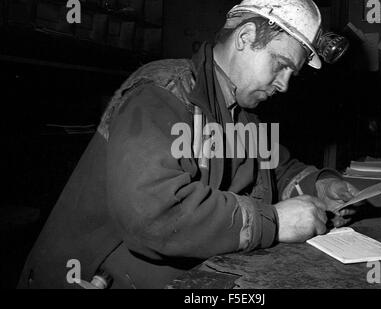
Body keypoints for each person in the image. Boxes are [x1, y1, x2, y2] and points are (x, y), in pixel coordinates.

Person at [18, 0, 357, 289]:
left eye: (292, 74)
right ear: (246, 37)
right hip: (93, 276)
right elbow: (155, 212)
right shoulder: (164, 90)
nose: (284, 85)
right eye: (281, 65)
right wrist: (275, 223)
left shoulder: (243, 112)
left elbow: (276, 169)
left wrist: (319, 183)